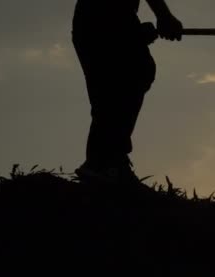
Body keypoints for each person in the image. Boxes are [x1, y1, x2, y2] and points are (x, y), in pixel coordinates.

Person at [72, 0, 183, 185]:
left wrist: (135, 32)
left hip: (91, 22)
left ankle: (106, 162)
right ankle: (107, 163)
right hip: (105, 15)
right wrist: (164, 17)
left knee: (111, 91)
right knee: (135, 72)